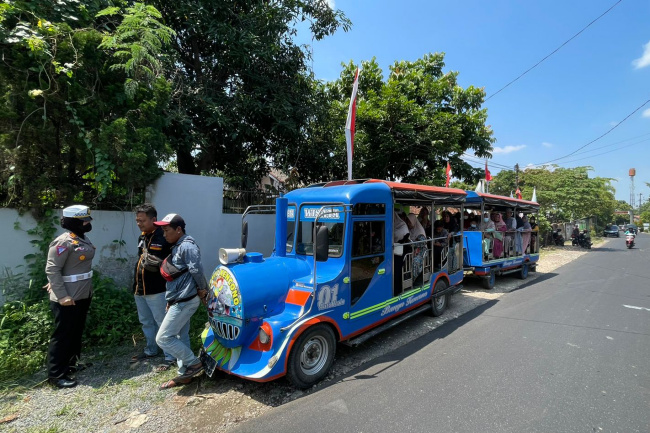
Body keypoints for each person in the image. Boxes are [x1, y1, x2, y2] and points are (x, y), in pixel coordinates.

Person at [155, 214, 209, 389]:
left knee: (163, 338)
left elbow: (197, 271)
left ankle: (194, 363)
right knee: (180, 336)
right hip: (178, 299)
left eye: (166, 230)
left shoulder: (187, 246)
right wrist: (170, 299)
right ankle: (184, 374)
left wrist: (203, 290)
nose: (164, 234)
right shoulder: (178, 246)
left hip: (186, 300)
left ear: (179, 229)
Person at [45, 205, 95, 388]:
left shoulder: (81, 238)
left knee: (76, 332)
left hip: (82, 294)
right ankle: (56, 375)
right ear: (74, 222)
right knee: (63, 335)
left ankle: (71, 365)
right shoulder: (63, 242)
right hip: (67, 297)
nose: (88, 223)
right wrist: (62, 295)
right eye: (84, 220)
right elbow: (52, 269)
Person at [131, 204, 176, 371]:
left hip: (157, 289)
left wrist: (160, 264)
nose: (139, 223)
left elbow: (172, 262)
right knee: (146, 322)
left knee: (162, 322)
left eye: (142, 220)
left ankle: (170, 356)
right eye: (137, 220)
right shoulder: (142, 238)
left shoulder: (163, 236)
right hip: (140, 288)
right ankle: (151, 350)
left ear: (153, 220)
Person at [406, 213, 427, 281]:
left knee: (415, 261)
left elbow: (422, 243)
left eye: (410, 222)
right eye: (408, 222)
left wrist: (411, 244)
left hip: (421, 251)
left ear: (413, 221)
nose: (408, 223)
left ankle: (413, 279)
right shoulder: (410, 229)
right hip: (413, 249)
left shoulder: (419, 230)